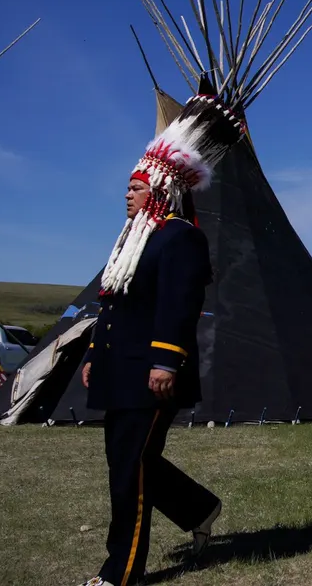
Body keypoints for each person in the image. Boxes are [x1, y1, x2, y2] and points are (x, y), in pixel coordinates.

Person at [77, 93, 244, 586]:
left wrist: (166, 363)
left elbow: (179, 307)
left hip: (150, 373)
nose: (127, 195)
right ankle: (200, 508)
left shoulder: (178, 237)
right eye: (127, 187)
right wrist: (92, 353)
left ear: (161, 187)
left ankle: (120, 573)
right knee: (130, 460)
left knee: (128, 469)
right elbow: (113, 303)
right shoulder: (132, 239)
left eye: (135, 186)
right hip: (119, 367)